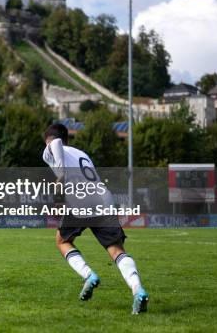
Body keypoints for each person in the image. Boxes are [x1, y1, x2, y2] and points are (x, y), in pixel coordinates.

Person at [42, 123, 149, 314]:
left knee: (62, 241)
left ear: (47, 140)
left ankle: (89, 275)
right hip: (102, 197)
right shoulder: (81, 153)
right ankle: (138, 290)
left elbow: (56, 143)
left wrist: (61, 176)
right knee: (116, 250)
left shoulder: (51, 146)